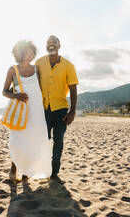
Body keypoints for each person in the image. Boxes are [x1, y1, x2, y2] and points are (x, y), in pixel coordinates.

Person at [2, 40, 52, 183]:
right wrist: (16, 95)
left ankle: (26, 174)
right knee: (17, 142)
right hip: (20, 112)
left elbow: (42, 88)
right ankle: (14, 169)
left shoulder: (37, 69)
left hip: (36, 112)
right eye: (27, 52)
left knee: (33, 142)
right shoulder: (13, 70)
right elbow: (4, 91)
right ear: (20, 53)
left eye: (32, 52)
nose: (30, 55)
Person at [35, 35, 78, 184]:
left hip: (61, 109)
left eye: (54, 42)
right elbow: (33, 84)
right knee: (43, 141)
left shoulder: (68, 65)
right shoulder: (39, 63)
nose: (51, 45)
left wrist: (72, 111)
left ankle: (54, 173)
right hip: (43, 109)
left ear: (59, 45)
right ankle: (45, 169)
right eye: (49, 43)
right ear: (46, 46)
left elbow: (73, 88)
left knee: (58, 142)